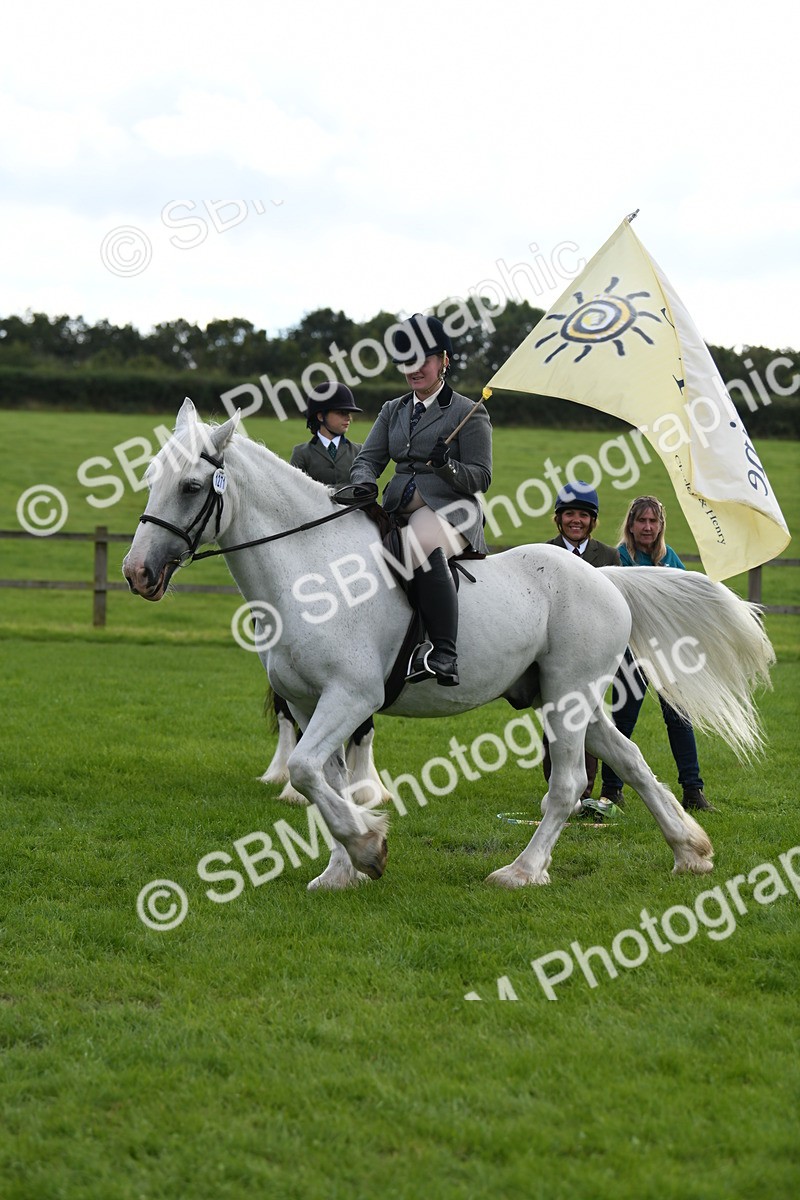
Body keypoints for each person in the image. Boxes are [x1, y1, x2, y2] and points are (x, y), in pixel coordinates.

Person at [350, 313, 492, 687]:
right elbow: (368, 459)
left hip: (451, 511)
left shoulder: (468, 412)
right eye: (406, 362)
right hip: (397, 508)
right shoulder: (392, 410)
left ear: (444, 360)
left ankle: (445, 654)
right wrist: (364, 483)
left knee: (419, 544)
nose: (413, 370)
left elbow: (481, 477)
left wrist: (448, 467)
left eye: (422, 360)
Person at [599, 495, 713, 812]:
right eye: (642, 521)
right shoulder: (618, 559)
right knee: (622, 722)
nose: (647, 527)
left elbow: (686, 602)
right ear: (631, 525)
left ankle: (693, 791)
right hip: (631, 654)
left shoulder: (670, 559)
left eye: (653, 521)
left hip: (667, 654)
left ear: (661, 525)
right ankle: (611, 789)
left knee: (680, 720)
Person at [541, 481, 620, 811]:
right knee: (555, 720)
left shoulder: (609, 556)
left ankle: (584, 789)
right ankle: (555, 784)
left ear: (593, 520)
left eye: (583, 515)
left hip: (594, 652)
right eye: (570, 514)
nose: (577, 520)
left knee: (589, 715)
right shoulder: (543, 554)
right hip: (553, 652)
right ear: (559, 519)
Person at [290, 382, 363, 485]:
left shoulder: (359, 451)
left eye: (348, 413)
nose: (348, 418)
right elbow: (295, 492)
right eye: (341, 413)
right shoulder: (301, 454)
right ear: (321, 416)